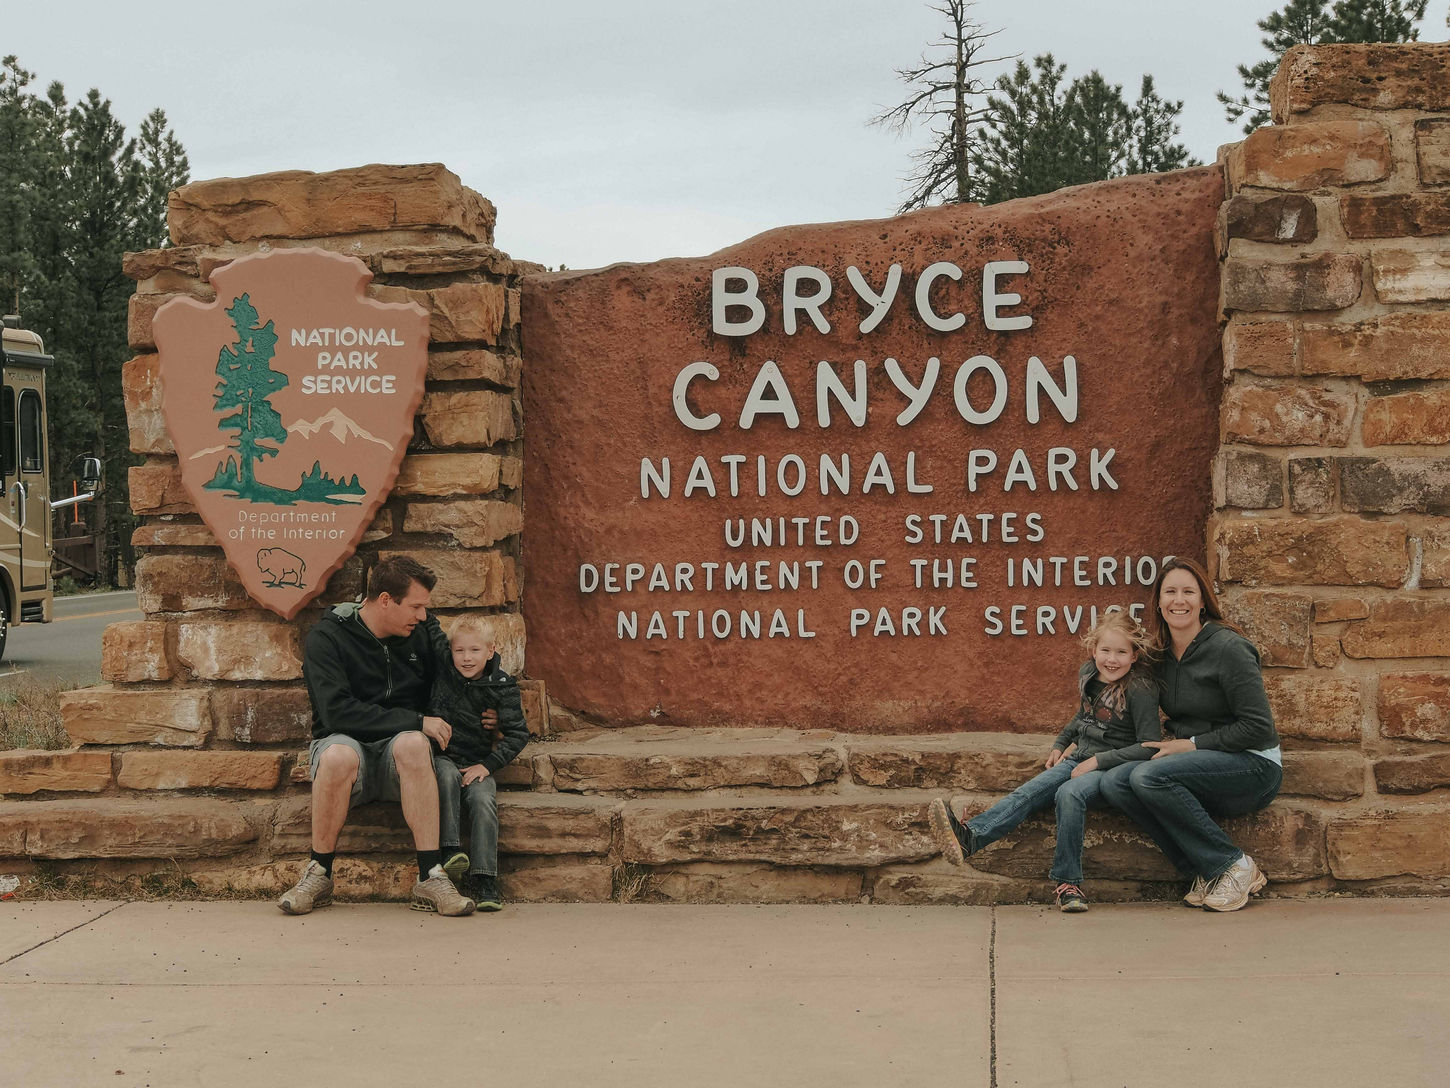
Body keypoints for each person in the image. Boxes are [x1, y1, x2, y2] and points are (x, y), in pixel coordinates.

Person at [279, 555, 475, 917]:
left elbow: (461, 669)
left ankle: (431, 876)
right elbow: (337, 713)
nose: (422, 615)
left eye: (425, 608)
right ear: (385, 600)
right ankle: (319, 873)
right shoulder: (329, 636)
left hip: (398, 759)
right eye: (415, 607)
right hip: (344, 748)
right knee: (339, 754)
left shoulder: (420, 632)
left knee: (414, 742)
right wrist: (417, 720)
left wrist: (494, 704)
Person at [928, 610, 1161, 912]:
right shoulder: (1089, 673)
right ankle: (971, 837)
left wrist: (1098, 761)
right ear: (1094, 650)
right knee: (1029, 792)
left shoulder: (1140, 688)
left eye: (1121, 652)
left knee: (1068, 794)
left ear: (1134, 655)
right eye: (1105, 650)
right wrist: (1061, 742)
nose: (1112, 660)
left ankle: (1068, 885)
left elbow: (1148, 747)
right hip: (1079, 758)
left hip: (1113, 769)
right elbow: (1083, 715)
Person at [1097, 557, 1282, 913]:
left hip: (1252, 766)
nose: (1178, 600)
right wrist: (1079, 740)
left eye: (1188, 592)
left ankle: (1234, 865)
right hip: (1197, 763)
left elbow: (1258, 726)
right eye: (1170, 592)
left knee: (1148, 776)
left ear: (1202, 601)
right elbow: (1115, 695)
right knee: (1114, 783)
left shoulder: (1229, 648)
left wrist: (1192, 744)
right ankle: (1206, 870)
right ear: (1158, 602)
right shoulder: (1160, 655)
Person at [431, 614, 530, 912]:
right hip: (443, 756)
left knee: (483, 800)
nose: (466, 658)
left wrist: (487, 766)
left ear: (490, 651)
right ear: (451, 651)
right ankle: (449, 851)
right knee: (445, 775)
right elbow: (431, 630)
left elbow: (518, 734)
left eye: (475, 650)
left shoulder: (502, 686)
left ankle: (485, 879)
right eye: (459, 650)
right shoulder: (443, 671)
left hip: (478, 761)